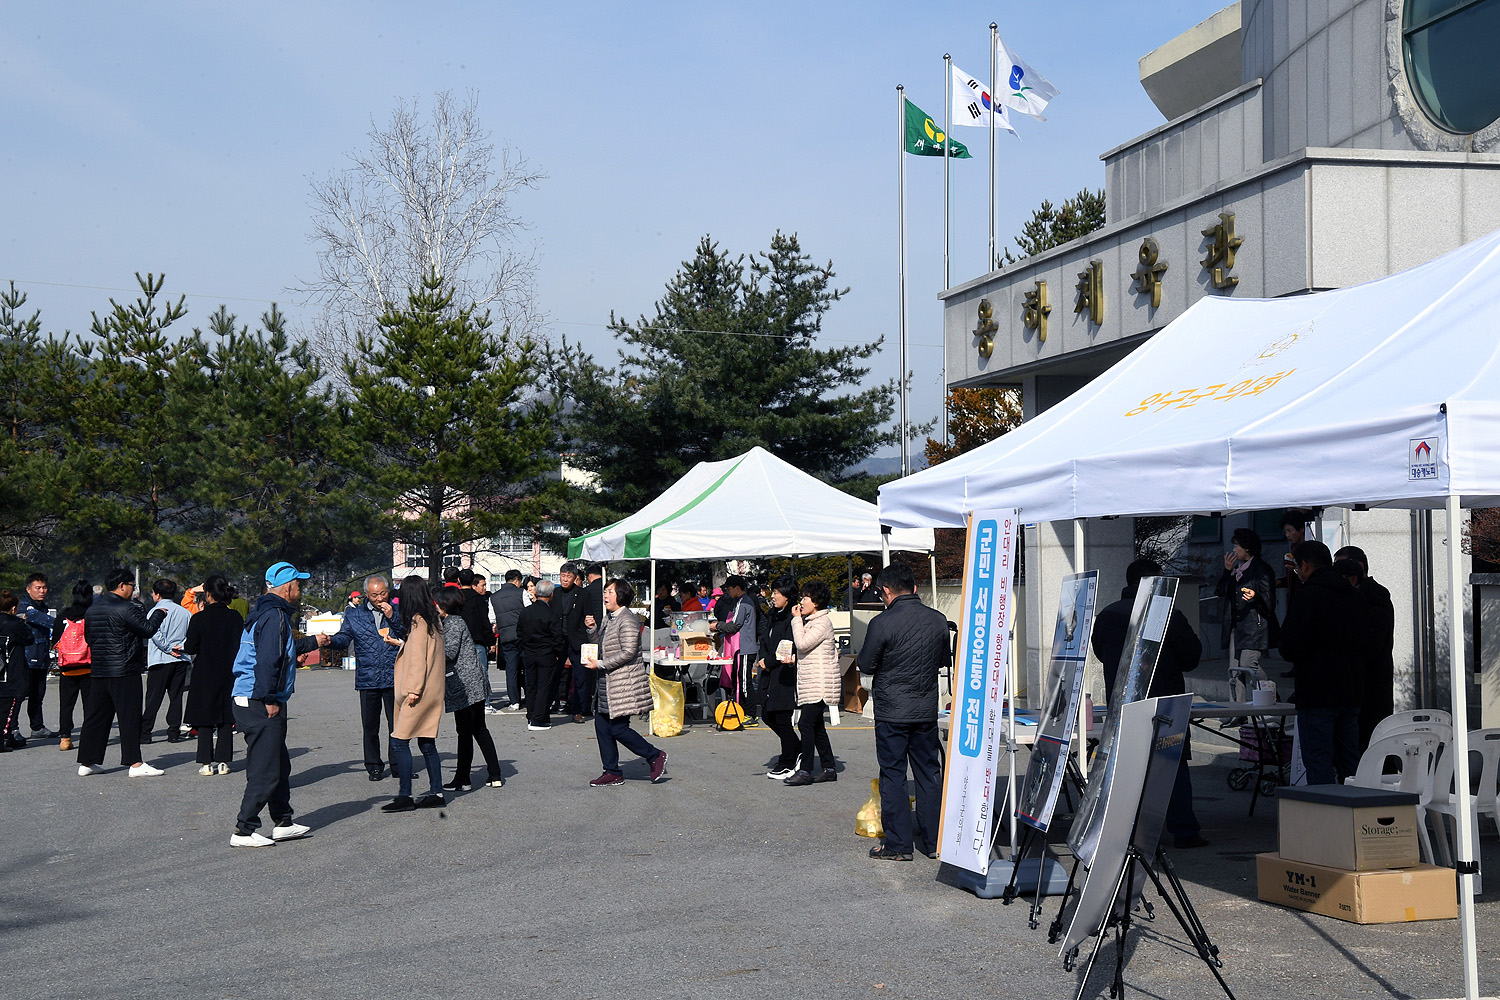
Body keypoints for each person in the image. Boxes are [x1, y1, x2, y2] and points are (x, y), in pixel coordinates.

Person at [1093, 558, 1208, 849]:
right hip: (1165, 702)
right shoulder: (1167, 615)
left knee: (1128, 766)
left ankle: (1131, 832)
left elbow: (1100, 653)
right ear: (1153, 582)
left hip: (1123, 702)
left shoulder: (1107, 615)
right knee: (1173, 765)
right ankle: (1183, 829)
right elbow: (1192, 657)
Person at [855, 564, 949, 860]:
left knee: (893, 775)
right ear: (915, 588)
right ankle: (935, 842)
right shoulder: (938, 620)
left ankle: (898, 845)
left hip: (892, 710)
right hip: (924, 708)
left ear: (885, 591)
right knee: (928, 773)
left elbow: (866, 665)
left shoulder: (882, 623)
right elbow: (942, 660)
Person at [228, 562, 324, 846]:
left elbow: (279, 651)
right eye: (298, 584)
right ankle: (243, 830)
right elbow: (268, 660)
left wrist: (310, 644)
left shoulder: (267, 611)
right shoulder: (275, 616)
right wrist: (270, 698)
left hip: (254, 696)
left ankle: (283, 821)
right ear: (288, 587)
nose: (300, 589)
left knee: (280, 764)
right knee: (266, 769)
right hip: (259, 700)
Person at [1279, 540, 1366, 785]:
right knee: (1350, 762)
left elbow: (1289, 645)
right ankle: (1354, 817)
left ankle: (1325, 819)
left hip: (1317, 691)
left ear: (1306, 565)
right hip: (1351, 689)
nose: (1297, 572)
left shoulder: (1307, 596)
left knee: (1319, 763)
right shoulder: (1354, 595)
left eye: (1297, 567)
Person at [78, 568, 165, 778]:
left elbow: (89, 638)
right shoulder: (127, 609)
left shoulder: (92, 610)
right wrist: (159, 615)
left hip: (99, 670)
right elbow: (147, 630)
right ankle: (135, 763)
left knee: (96, 717)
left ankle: (87, 762)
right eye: (132, 586)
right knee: (129, 717)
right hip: (124, 669)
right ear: (122, 586)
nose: (133, 590)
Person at [585, 578, 668, 787]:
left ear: (620, 595)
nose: (605, 595)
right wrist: (592, 629)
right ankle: (611, 771)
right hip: (607, 684)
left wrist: (602, 664)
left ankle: (654, 755)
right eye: (605, 591)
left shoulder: (628, 619)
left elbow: (629, 652)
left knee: (618, 728)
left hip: (623, 684)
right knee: (602, 727)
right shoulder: (608, 619)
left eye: (610, 591)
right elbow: (601, 647)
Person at [328, 574, 405, 781]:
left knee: (396, 725)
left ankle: (398, 764)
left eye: (383, 593)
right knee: (370, 725)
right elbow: (344, 638)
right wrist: (329, 641)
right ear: (365, 595)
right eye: (374, 595)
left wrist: (393, 617)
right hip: (368, 676)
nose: (379, 598)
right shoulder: (355, 615)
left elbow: (408, 635)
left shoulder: (398, 611)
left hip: (394, 674)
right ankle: (374, 765)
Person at [383, 575, 447, 812]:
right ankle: (436, 791)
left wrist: (412, 690)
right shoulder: (434, 620)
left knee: (399, 740)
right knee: (427, 742)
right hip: (433, 689)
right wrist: (401, 645)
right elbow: (425, 652)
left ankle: (405, 795)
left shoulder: (419, 621)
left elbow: (419, 659)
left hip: (418, 691)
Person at [436, 589, 503, 789]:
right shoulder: (452, 622)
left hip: (467, 685)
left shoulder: (454, 622)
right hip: (470, 683)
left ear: (445, 605)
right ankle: (493, 774)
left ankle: (464, 778)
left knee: (468, 731)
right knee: (476, 730)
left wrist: (429, 644)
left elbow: (449, 652)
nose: (435, 606)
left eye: (438, 603)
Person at [181, 575, 243, 775]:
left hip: (205, 670)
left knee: (205, 716)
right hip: (229, 670)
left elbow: (190, 646)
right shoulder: (235, 617)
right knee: (226, 717)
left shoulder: (199, 618)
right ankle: (224, 761)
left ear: (207, 594)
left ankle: (206, 763)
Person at [1335, 546, 1395, 751]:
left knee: (1370, 743)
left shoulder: (1373, 595)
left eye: (1342, 567)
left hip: (1370, 683)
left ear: (1357, 570)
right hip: (1363, 682)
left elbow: (1372, 643)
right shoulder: (1360, 596)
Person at [784, 579, 840, 787]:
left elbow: (802, 643)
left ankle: (806, 769)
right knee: (817, 727)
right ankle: (829, 768)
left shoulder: (822, 622)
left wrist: (796, 620)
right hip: (814, 683)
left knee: (806, 723)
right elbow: (810, 653)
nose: (802, 602)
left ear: (816, 601)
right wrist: (794, 660)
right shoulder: (813, 622)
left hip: (820, 684)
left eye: (805, 598)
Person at [1214, 527, 1279, 706]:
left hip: (1254, 626)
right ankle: (1236, 708)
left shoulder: (1261, 570)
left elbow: (1270, 602)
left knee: (1248, 665)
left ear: (1247, 548)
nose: (1234, 550)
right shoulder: (1237, 570)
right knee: (1234, 669)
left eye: (1237, 546)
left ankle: (1269, 694)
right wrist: (1227, 571)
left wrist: (1255, 596)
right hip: (1237, 625)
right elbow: (1220, 591)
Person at [756, 576, 801, 779]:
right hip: (768, 671)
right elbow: (766, 640)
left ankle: (788, 760)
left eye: (777, 593)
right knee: (767, 715)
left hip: (783, 672)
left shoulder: (793, 617)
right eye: (773, 592)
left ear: (787, 595)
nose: (773, 596)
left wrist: (770, 662)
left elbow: (788, 645)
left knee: (781, 717)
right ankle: (797, 748)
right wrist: (764, 660)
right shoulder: (773, 614)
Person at [142, 579, 192, 743]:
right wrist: (181, 647)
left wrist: (168, 648)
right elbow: (191, 634)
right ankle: (173, 732)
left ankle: (145, 732)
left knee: (153, 698)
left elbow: (154, 633)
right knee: (176, 697)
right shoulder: (185, 612)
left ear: (157, 594)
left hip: (160, 660)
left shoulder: (154, 611)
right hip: (181, 659)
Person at [49, 580, 94, 752]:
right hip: (88, 666)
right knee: (90, 704)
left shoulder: (63, 615)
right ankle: (89, 737)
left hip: (67, 667)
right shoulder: (91, 614)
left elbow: (55, 641)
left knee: (66, 704)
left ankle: (65, 738)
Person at [518, 579, 565, 731]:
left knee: (531, 685)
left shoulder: (526, 611)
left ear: (537, 593)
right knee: (544, 686)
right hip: (546, 653)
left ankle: (532, 714)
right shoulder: (551, 613)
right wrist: (557, 652)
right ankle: (538, 718)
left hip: (529, 652)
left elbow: (519, 632)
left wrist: (524, 647)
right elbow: (557, 636)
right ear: (551, 594)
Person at [711, 575, 758, 713]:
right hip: (742, 648)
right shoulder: (740, 602)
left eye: (729, 589)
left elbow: (734, 626)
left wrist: (718, 626)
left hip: (745, 648)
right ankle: (743, 710)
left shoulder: (744, 603)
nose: (728, 592)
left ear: (737, 588)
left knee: (744, 683)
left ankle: (750, 713)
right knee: (740, 680)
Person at [17, 572, 55, 739]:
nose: (42, 591)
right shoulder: (24, 605)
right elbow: (35, 617)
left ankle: (37, 727)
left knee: (38, 695)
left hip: (41, 657)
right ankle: (12, 729)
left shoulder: (43, 606)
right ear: (28, 589)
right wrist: (61, 623)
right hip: (25, 658)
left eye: (44, 587)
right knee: (18, 696)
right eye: (38, 588)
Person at [567, 562, 602, 722]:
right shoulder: (610, 589)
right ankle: (593, 706)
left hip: (587, 637)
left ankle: (584, 706)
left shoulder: (585, 592)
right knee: (596, 672)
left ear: (588, 576)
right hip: (603, 633)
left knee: (585, 674)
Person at [489, 569, 526, 712]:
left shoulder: (494, 597)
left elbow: (492, 619)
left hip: (506, 637)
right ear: (517, 580)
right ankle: (529, 696)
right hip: (523, 636)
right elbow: (529, 611)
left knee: (511, 669)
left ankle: (514, 701)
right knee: (527, 667)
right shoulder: (521, 593)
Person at [0, 591, 31, 751]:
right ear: (13, 608)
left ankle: (9, 737)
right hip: (11, 671)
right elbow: (29, 639)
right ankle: (5, 737)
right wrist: (23, 623)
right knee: (9, 707)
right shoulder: (16, 624)